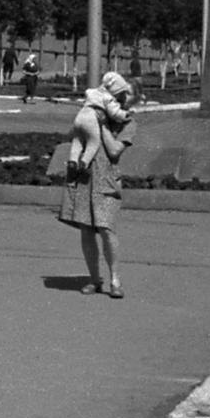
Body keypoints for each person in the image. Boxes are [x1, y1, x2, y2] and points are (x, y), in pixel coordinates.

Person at [58, 71, 137, 299]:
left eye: (121, 97)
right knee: (86, 228)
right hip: (85, 176)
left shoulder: (127, 122)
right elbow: (76, 134)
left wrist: (101, 126)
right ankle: (94, 279)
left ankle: (114, 279)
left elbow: (114, 150)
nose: (119, 100)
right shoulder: (94, 110)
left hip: (107, 179)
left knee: (106, 228)